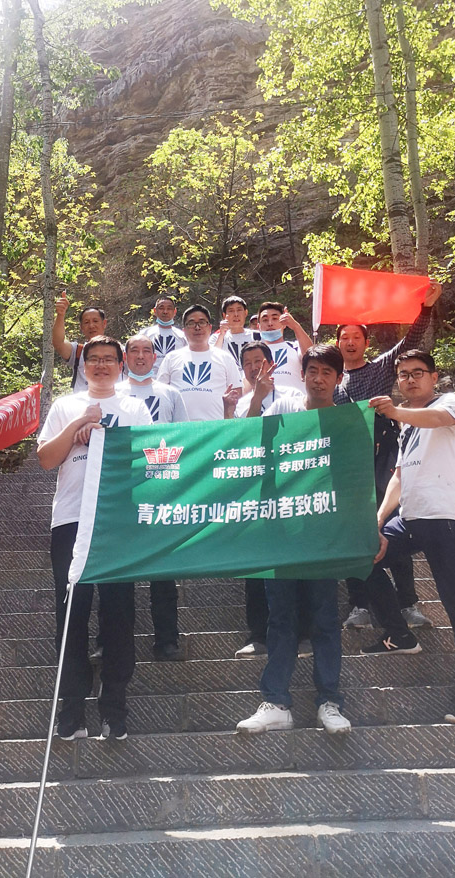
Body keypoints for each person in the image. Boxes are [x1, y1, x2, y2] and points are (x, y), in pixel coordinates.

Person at [362, 349, 455, 724]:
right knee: (361, 555)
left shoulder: (448, 404)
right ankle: (400, 634)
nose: (409, 379)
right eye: (403, 374)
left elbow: (438, 419)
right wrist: (377, 521)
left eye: (417, 372)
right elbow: (399, 476)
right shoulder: (406, 425)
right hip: (410, 518)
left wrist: (394, 411)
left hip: (445, 519)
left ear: (434, 377)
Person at [37, 335, 152, 741]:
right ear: (83, 366)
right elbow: (46, 458)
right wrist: (77, 427)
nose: (101, 365)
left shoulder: (135, 408)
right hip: (70, 519)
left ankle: (114, 708)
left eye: (108, 359)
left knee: (119, 613)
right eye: (93, 359)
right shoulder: (64, 405)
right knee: (72, 613)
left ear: (121, 366)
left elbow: (150, 460)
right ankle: (71, 709)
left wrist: (105, 436)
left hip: (118, 520)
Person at [236, 344, 351, 736]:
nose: (318, 379)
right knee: (281, 617)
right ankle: (276, 702)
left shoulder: (348, 419)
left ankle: (330, 702)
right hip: (281, 530)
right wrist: (257, 397)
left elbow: (356, 478)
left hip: (324, 534)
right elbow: (247, 438)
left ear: (338, 379)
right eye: (312, 371)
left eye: (327, 373)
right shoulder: (283, 408)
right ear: (302, 375)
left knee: (324, 618)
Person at [335, 281, 442, 631]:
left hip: (384, 458)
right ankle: (359, 605)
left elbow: (410, 342)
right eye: (344, 337)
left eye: (356, 336)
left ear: (366, 343)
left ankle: (408, 603)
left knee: (391, 525)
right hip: (349, 464)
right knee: (355, 529)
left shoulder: (379, 368)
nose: (350, 342)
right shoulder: (333, 382)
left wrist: (426, 308)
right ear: (338, 343)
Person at [229, 341, 305, 660]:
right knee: (257, 564)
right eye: (247, 363)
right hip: (255, 491)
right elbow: (241, 440)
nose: (253, 368)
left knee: (296, 562)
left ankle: (303, 634)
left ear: (272, 364)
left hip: (291, 489)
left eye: (258, 361)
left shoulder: (294, 396)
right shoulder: (241, 403)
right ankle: (259, 635)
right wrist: (256, 399)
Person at [117, 334, 188, 662]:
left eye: (148, 350)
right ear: (125, 357)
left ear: (156, 357)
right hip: (123, 488)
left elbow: (184, 439)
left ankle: (167, 639)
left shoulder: (171, 394)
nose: (141, 356)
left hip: (162, 487)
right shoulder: (114, 393)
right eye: (135, 350)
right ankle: (114, 639)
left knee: (163, 568)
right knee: (121, 568)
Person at [158, 303, 242, 420]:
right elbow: (161, 392)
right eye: (191, 323)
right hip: (180, 427)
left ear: (210, 327)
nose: (197, 327)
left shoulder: (225, 358)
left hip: (216, 426)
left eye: (202, 322)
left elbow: (237, 391)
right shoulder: (171, 358)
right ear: (184, 330)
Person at [51, 291, 108, 393]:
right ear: (81, 327)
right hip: (82, 402)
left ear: (104, 323)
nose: (91, 326)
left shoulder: (120, 351)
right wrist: (60, 315)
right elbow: (58, 343)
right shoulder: (77, 351)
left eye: (95, 321)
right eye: (86, 322)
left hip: (112, 401)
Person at [255, 302, 314, 391]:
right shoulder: (254, 352)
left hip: (295, 398)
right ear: (258, 326)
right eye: (265, 320)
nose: (270, 323)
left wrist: (295, 326)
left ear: (284, 324)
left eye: (275, 318)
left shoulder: (295, 346)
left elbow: (312, 357)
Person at [141, 293, 187, 376]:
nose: (165, 312)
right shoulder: (144, 335)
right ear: (155, 311)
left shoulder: (182, 336)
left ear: (174, 311)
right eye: (161, 308)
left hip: (175, 379)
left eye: (169, 308)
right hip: (150, 379)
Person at [212, 294, 256, 365]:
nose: (236, 314)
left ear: (245, 313)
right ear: (224, 315)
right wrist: (221, 335)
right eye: (231, 311)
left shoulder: (257, 336)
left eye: (239, 310)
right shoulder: (216, 338)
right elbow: (212, 358)